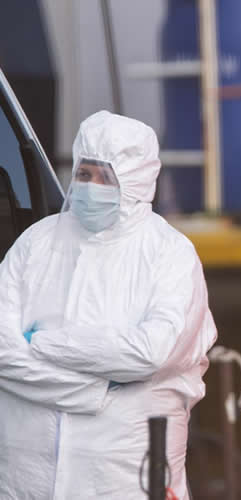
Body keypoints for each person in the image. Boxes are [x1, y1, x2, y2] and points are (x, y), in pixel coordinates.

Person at [0, 110, 217, 499]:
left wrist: (43, 343)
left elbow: (149, 353)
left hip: (124, 479)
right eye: (84, 173)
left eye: (105, 176)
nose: (90, 186)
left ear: (135, 180)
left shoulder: (169, 254)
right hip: (24, 480)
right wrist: (94, 390)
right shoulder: (37, 243)